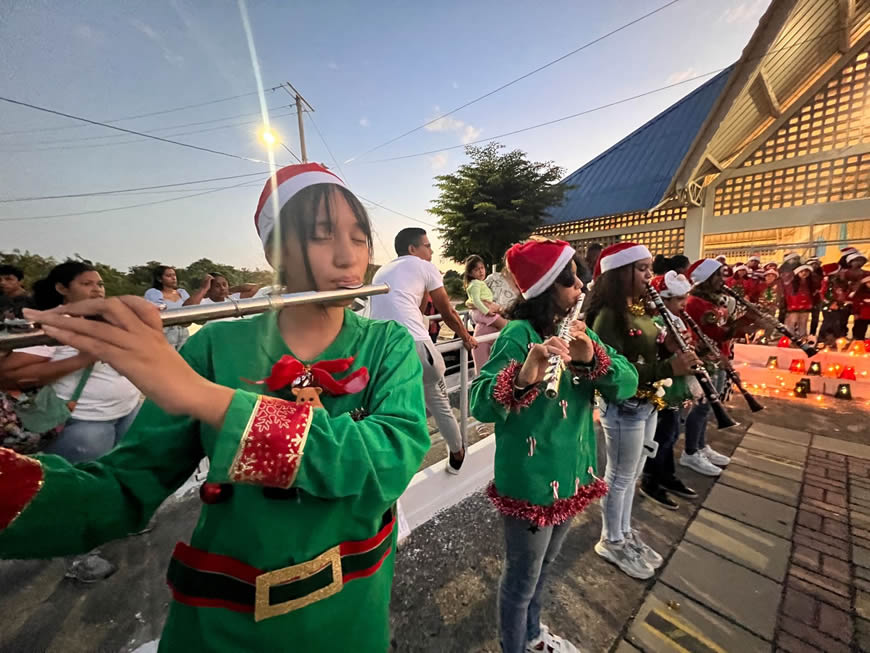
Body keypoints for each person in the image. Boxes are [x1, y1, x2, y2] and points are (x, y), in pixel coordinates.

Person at [0, 163, 430, 651]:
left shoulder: (386, 342)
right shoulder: (214, 347)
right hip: (220, 625)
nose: (347, 257)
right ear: (275, 252)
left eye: (358, 238)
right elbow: (122, 491)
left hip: (351, 615)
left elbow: (390, 457)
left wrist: (203, 397)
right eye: (320, 235)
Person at [470, 238, 637, 653]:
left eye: (580, 279)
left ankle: (532, 636)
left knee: (544, 570)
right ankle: (517, 643)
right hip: (533, 482)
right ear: (547, 288)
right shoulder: (517, 334)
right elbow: (479, 402)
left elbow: (628, 382)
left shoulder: (579, 332)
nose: (580, 289)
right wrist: (524, 376)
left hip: (572, 474)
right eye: (570, 281)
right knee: (522, 579)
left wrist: (590, 359)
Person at [0, 261, 142, 582]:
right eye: (87, 283)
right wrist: (84, 357)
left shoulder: (102, 320)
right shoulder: (48, 324)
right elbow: (9, 373)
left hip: (125, 411)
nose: (97, 289)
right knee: (77, 490)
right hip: (84, 423)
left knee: (117, 477)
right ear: (63, 289)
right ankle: (78, 556)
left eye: (100, 284)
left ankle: (116, 524)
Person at [585, 243, 698, 580]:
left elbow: (647, 349)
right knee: (620, 477)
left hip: (649, 403)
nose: (650, 275)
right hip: (625, 405)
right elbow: (611, 373)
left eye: (650, 267)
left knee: (633, 475)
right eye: (642, 268)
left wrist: (668, 346)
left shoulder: (641, 308)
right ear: (620, 274)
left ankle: (625, 533)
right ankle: (611, 539)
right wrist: (669, 366)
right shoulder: (608, 316)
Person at [369, 227, 477, 475]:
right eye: (427, 246)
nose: (431, 251)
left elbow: (412, 304)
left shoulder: (382, 271)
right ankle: (457, 452)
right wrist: (466, 336)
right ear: (413, 249)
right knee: (438, 400)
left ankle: (394, 469)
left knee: (392, 408)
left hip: (381, 346)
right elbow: (447, 311)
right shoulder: (424, 266)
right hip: (414, 346)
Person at [640, 271, 699, 510]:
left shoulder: (677, 319)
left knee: (672, 433)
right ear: (662, 300)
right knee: (662, 436)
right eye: (678, 299)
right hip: (664, 387)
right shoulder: (656, 322)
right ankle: (651, 479)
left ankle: (666, 474)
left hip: (677, 385)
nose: (684, 303)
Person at [682, 259, 734, 477]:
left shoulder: (715, 301)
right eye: (718, 275)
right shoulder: (696, 302)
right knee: (701, 406)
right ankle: (691, 451)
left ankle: (701, 446)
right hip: (706, 360)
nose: (722, 280)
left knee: (710, 406)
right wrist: (746, 324)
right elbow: (714, 333)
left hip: (718, 357)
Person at [144, 266, 211, 350]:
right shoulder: (153, 293)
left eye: (174, 275)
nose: (173, 278)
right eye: (169, 276)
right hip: (165, 334)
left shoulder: (181, 292)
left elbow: (190, 308)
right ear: (159, 279)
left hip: (183, 334)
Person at [464, 254, 508, 371]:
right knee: (482, 372)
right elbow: (475, 301)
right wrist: (487, 311)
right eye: (476, 269)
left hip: (489, 326)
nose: (480, 271)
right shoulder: (479, 283)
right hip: (484, 316)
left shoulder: (481, 283)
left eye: (482, 268)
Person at [819, 263, 851, 346]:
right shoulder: (828, 282)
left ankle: (839, 339)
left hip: (840, 305)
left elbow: (845, 291)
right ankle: (825, 339)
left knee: (839, 322)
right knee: (829, 322)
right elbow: (823, 294)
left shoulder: (842, 280)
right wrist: (830, 303)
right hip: (830, 305)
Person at [783, 264, 816, 340]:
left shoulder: (810, 283)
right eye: (802, 271)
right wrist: (790, 305)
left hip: (805, 307)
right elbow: (788, 296)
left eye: (806, 272)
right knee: (791, 323)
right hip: (793, 307)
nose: (804, 273)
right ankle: (789, 339)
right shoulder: (791, 283)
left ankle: (802, 338)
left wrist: (809, 304)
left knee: (803, 323)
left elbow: (811, 295)